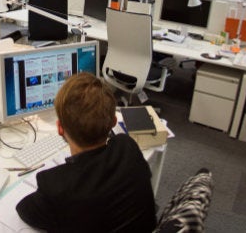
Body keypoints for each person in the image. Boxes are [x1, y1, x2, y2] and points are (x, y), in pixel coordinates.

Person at [16, 73, 157, 232]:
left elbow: (24, 209)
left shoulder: (57, 187)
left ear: (60, 128)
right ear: (113, 122)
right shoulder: (128, 147)